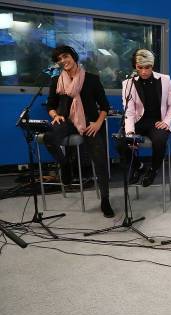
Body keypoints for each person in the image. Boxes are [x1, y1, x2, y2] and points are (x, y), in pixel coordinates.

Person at [44, 45, 114, 218]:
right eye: (59, 59)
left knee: (100, 160)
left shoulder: (92, 79)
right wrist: (55, 115)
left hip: (89, 123)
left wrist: (98, 123)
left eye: (65, 56)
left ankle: (105, 199)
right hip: (66, 121)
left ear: (73, 56)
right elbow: (50, 105)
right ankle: (65, 164)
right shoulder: (57, 81)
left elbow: (105, 106)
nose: (63, 61)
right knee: (48, 138)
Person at [118, 49, 171, 187]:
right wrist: (130, 132)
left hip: (157, 122)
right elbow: (129, 111)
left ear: (152, 66)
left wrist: (167, 122)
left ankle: (153, 170)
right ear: (135, 67)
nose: (144, 71)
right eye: (140, 68)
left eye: (148, 67)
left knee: (159, 141)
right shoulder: (128, 83)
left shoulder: (165, 80)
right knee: (121, 142)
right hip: (138, 121)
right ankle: (138, 167)